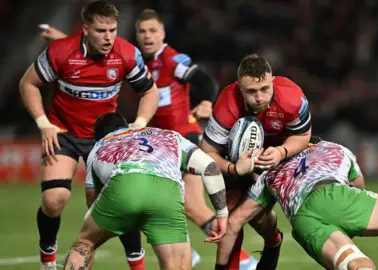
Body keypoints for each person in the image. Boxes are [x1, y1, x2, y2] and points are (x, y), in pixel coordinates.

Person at [41, 9, 258, 269]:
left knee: (193, 206)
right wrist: (63, 40)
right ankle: (189, 250)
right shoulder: (135, 60)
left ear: (163, 34)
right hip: (155, 147)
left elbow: (205, 80)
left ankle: (242, 260)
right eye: (142, 31)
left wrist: (206, 102)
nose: (147, 36)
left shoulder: (172, 60)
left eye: (153, 31)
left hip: (181, 137)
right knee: (179, 204)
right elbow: (94, 55)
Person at [19, 1, 158, 269]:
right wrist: (43, 123)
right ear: (85, 29)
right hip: (64, 133)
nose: (108, 37)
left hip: (105, 139)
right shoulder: (60, 52)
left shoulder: (126, 53)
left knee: (119, 205)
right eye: (100, 30)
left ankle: (137, 265)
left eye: (112, 30)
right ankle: (47, 258)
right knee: (54, 199)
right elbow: (28, 83)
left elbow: (149, 91)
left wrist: (139, 123)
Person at [212, 137, 378, 270]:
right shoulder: (334, 148)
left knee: (360, 266)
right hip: (335, 195)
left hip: (303, 222)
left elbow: (235, 222)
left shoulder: (271, 172)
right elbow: (358, 187)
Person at [65, 112, 228, 270]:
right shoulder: (167, 134)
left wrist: (116, 221)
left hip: (124, 184)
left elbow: (92, 199)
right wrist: (221, 213)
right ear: (127, 126)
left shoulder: (99, 145)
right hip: (167, 192)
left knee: (84, 244)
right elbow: (210, 167)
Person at [200, 54, 312, 269]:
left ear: (272, 80)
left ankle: (273, 242)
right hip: (234, 159)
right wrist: (233, 168)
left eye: (265, 89)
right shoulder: (227, 104)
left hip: (280, 156)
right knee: (232, 214)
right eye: (251, 91)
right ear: (240, 88)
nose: (259, 97)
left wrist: (281, 152)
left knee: (258, 219)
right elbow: (207, 152)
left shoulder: (291, 96)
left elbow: (304, 135)